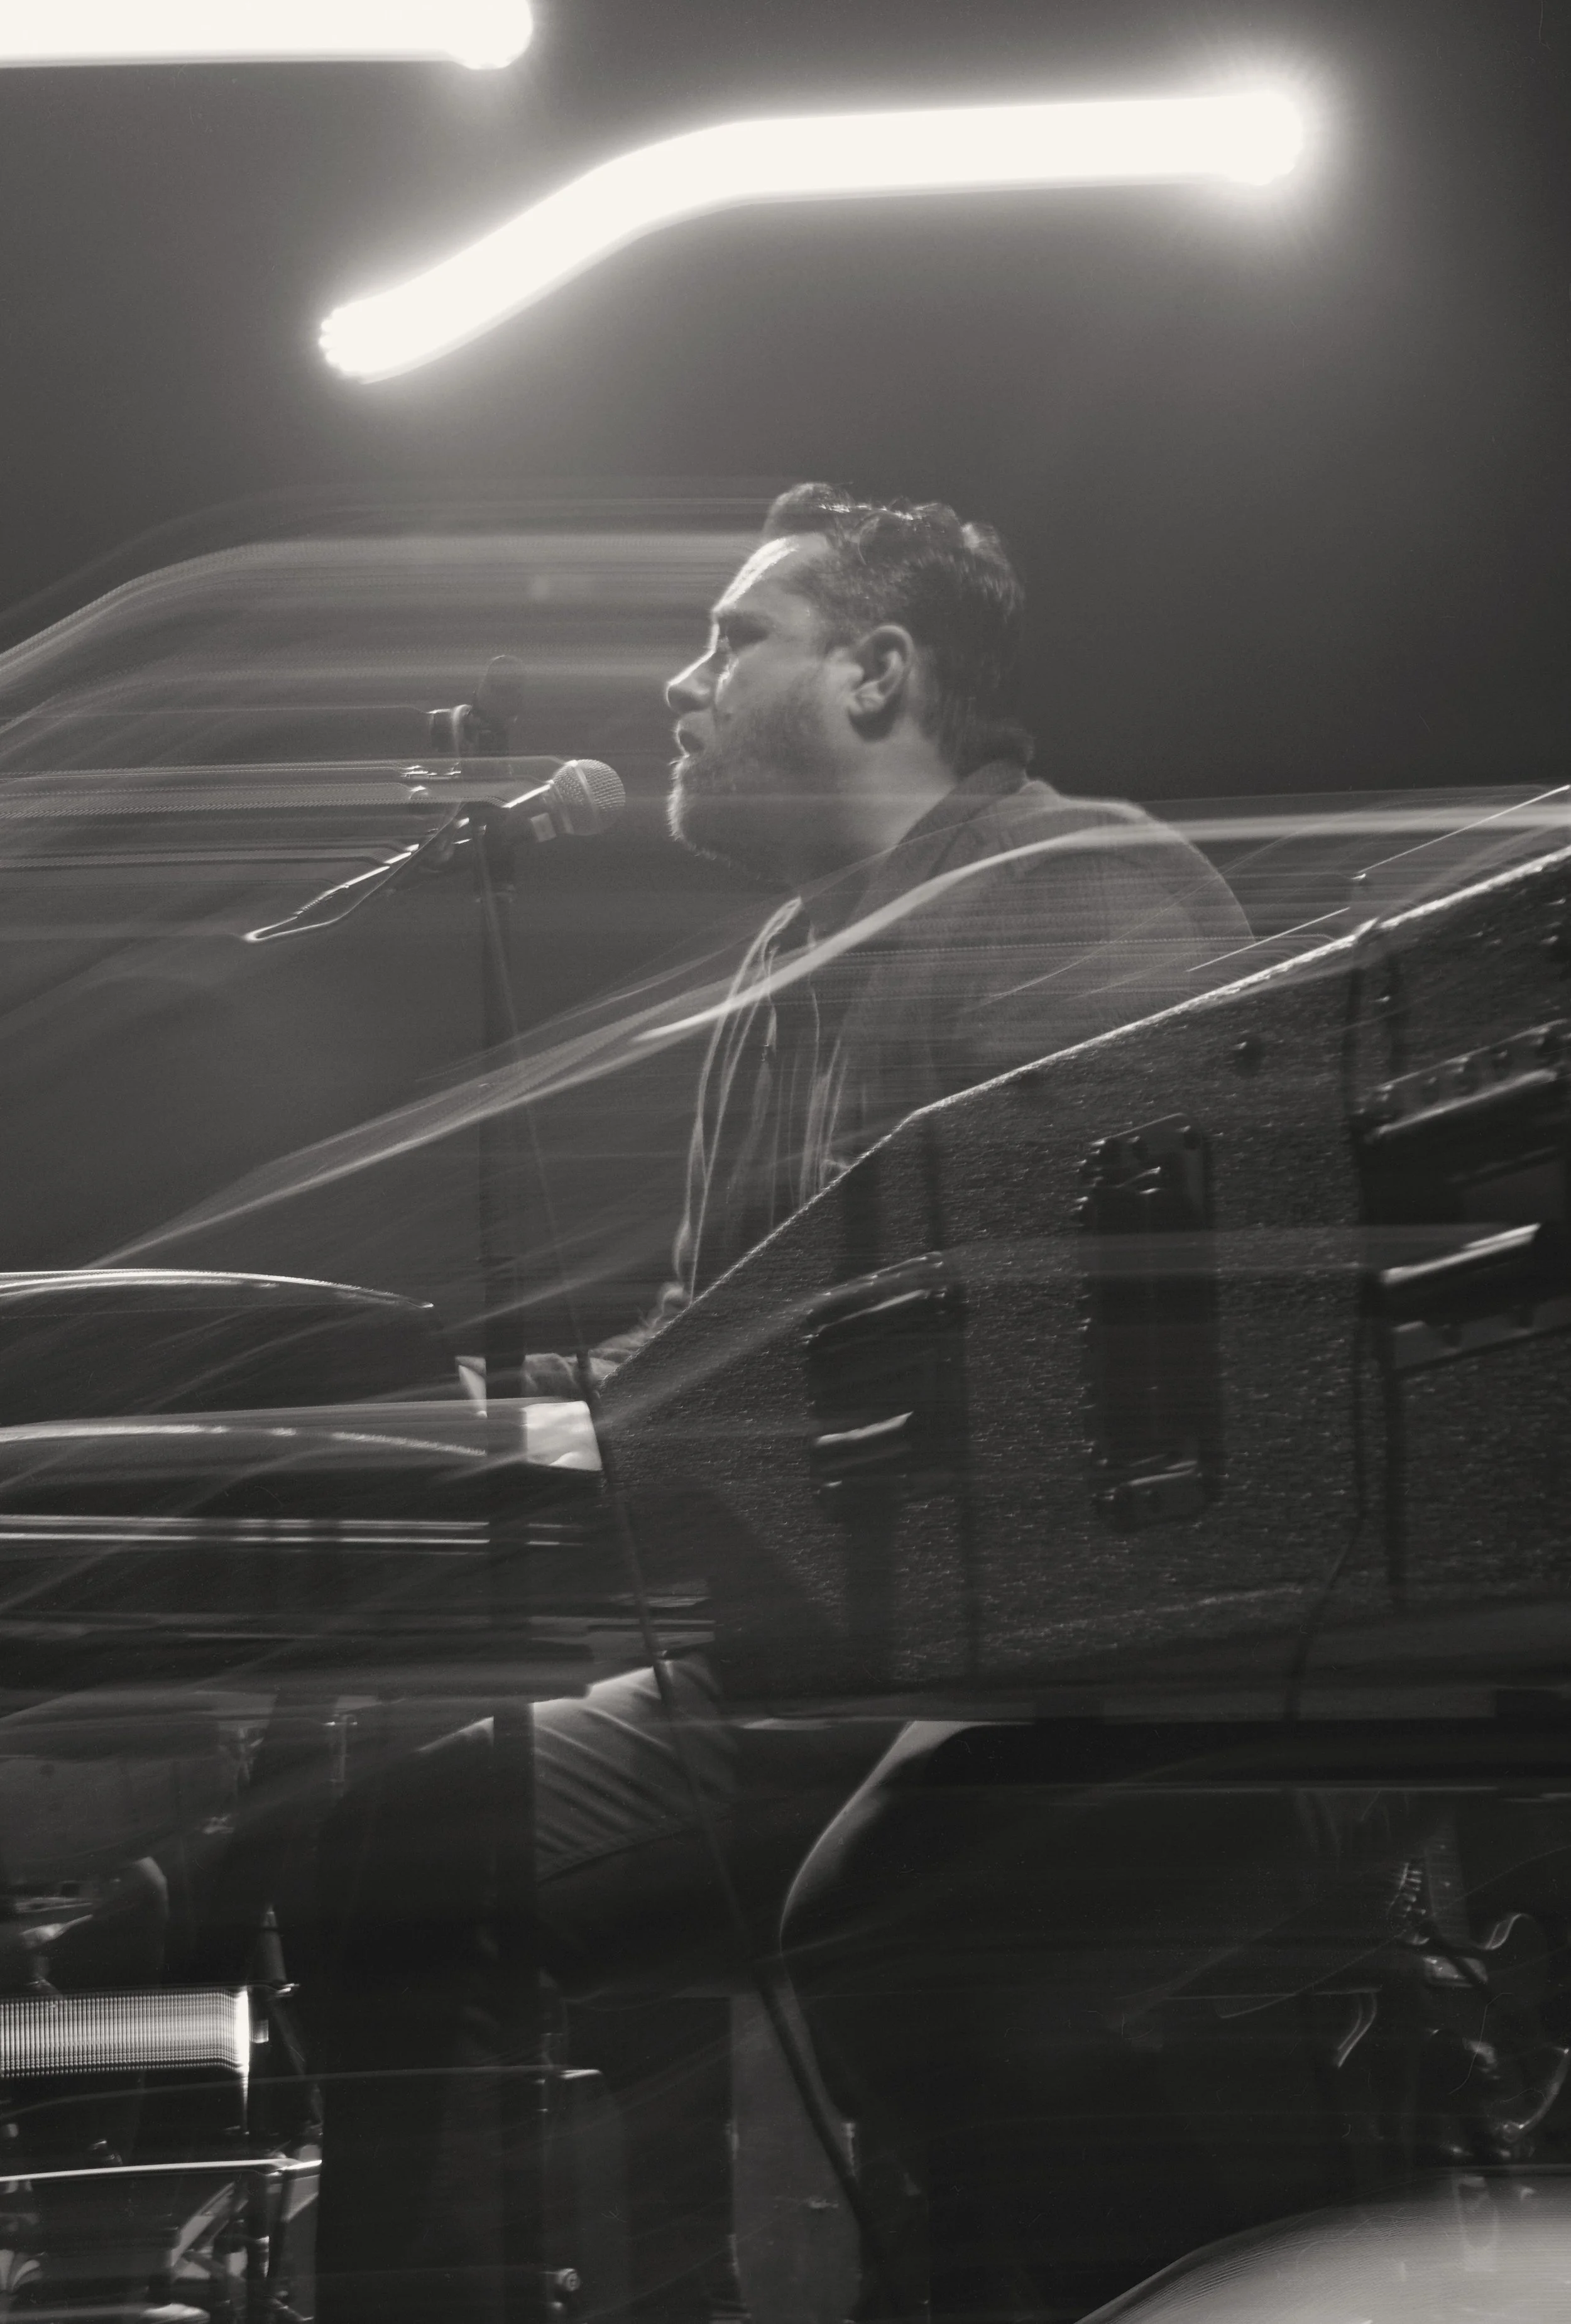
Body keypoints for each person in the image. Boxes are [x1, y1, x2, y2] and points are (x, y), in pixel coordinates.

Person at [309, 485, 1254, 2320]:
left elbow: (1110, 1337)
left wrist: (636, 1433)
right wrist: (461, 1418)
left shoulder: (1074, 893)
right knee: (393, 1848)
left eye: (731, 640)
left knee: (882, 1932)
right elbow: (704, 1344)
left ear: (876, 674)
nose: (682, 688)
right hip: (815, 1659)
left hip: (1058, 1656)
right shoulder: (777, 973)